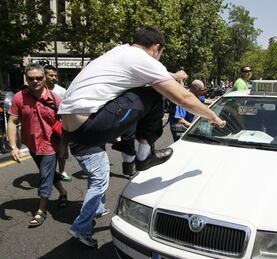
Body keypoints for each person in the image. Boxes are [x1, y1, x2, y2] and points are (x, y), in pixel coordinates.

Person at [58, 27, 225, 247]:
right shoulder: (143, 59)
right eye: (161, 54)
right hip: (92, 127)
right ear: (157, 48)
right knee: (157, 93)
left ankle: (135, 153)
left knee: (149, 90)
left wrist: (173, 76)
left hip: (73, 131)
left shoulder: (117, 52)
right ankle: (144, 155)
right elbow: (183, 97)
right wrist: (212, 116)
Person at [7, 63, 68, 228]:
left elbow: (66, 123)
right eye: (31, 78)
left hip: (50, 143)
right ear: (26, 79)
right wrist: (13, 146)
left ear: (44, 78)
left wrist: (63, 146)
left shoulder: (56, 99)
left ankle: (41, 210)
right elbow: (12, 121)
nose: (35, 81)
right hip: (31, 143)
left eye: (38, 78)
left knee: (44, 176)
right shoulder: (19, 97)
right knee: (46, 172)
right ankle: (63, 192)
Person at [44, 65, 71, 181]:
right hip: (44, 126)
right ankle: (49, 172)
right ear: (44, 75)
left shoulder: (61, 91)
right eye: (51, 75)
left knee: (62, 149)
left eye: (55, 75)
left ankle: (62, 171)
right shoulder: (39, 90)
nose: (54, 77)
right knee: (47, 151)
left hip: (58, 125)